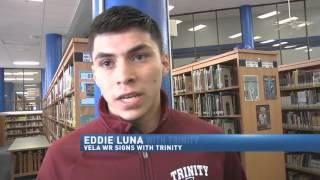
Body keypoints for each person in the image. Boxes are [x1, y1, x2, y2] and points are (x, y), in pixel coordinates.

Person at [37, 6, 246, 180]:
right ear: (95, 75)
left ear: (164, 63)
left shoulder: (214, 143)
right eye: (107, 62)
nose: (124, 76)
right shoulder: (62, 158)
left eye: (138, 57)